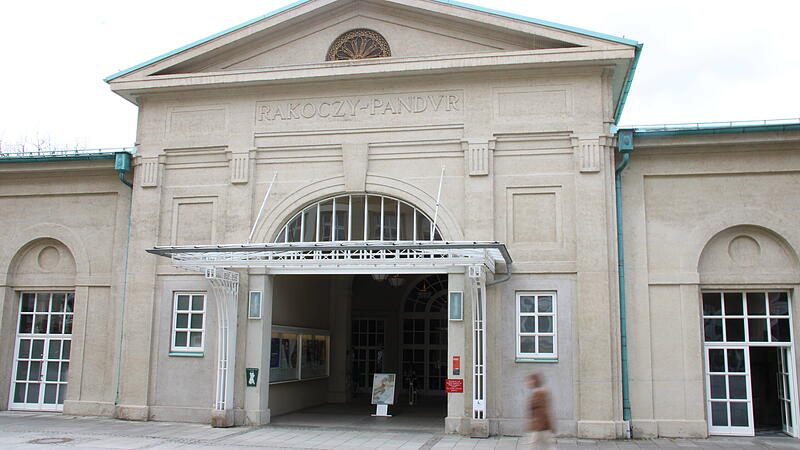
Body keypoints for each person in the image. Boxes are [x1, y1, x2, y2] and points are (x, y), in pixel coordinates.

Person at [524, 373, 555, 449]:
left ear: (535, 381)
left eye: (530, 381)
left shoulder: (540, 393)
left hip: (540, 426)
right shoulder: (535, 392)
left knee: (533, 445)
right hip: (539, 426)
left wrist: (549, 426)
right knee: (547, 446)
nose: (528, 382)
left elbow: (544, 410)